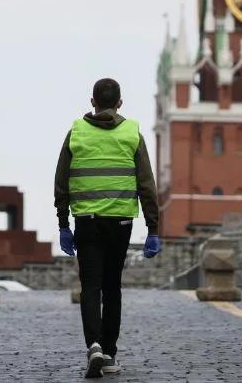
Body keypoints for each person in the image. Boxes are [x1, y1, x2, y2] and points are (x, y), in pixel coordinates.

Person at [53, 78, 161, 378]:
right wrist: (153, 227)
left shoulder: (76, 131)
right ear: (120, 103)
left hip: (86, 221)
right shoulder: (131, 132)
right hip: (121, 221)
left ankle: (94, 346)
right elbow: (146, 184)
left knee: (90, 286)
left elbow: (61, 181)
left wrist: (63, 223)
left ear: (92, 102)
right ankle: (109, 354)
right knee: (112, 287)